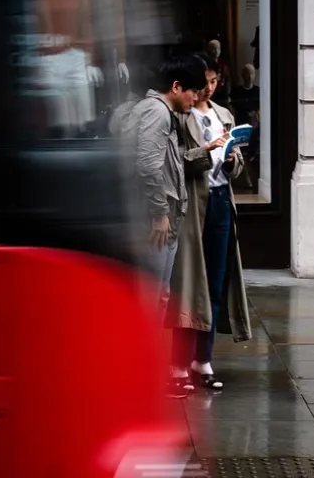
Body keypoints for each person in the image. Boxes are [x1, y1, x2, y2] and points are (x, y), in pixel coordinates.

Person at [116, 53, 210, 397]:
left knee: (157, 298)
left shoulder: (155, 111)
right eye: (193, 92)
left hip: (160, 218)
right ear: (176, 86)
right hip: (156, 221)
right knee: (151, 299)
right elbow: (148, 166)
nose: (196, 99)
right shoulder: (157, 112)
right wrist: (159, 213)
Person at [172, 57, 253, 391]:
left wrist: (233, 159)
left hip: (221, 201)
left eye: (214, 81)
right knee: (189, 284)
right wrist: (206, 151)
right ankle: (178, 362)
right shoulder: (179, 114)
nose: (208, 88)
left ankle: (202, 359)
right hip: (194, 204)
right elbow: (175, 163)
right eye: (204, 82)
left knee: (216, 282)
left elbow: (236, 168)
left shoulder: (224, 115)